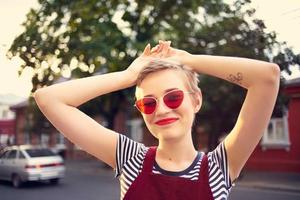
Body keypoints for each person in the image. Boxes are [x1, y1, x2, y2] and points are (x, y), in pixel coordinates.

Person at [34, 40, 280, 200]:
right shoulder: (131, 159)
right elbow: (48, 98)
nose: (161, 110)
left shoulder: (219, 168)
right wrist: (128, 75)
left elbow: (267, 78)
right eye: (148, 103)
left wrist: (189, 61)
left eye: (173, 97)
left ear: (196, 101)